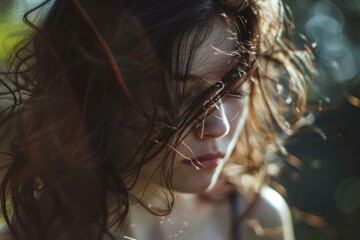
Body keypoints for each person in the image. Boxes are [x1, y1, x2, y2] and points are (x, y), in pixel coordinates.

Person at [0, 0, 314, 239]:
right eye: (178, 96)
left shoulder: (254, 219)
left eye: (234, 89)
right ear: (93, 96)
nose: (219, 126)